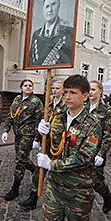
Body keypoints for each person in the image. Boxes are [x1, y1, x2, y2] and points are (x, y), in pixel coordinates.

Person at [34, 74, 101, 221]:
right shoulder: (58, 118)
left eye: (73, 93)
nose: (68, 97)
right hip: (55, 187)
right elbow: (51, 147)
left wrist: (51, 164)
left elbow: (84, 158)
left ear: (85, 96)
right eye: (65, 93)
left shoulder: (92, 124)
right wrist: (43, 134)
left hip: (78, 191)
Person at [20, 78, 64, 212]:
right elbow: (43, 122)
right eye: (53, 88)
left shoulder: (65, 106)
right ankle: (33, 197)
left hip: (60, 147)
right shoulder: (49, 105)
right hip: (48, 144)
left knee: (58, 176)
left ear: (62, 90)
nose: (54, 90)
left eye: (57, 88)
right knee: (39, 171)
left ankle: (62, 206)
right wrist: (38, 138)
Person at [1, 79, 43, 203]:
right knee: (21, 157)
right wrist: (5, 130)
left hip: (28, 135)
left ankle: (15, 188)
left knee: (20, 161)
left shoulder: (36, 101)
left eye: (30, 85)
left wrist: (37, 139)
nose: (28, 87)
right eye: (26, 85)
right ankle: (35, 170)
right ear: (21, 88)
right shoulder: (17, 100)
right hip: (17, 134)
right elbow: (10, 116)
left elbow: (39, 121)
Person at [88, 80, 111, 214]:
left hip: (97, 151)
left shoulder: (106, 110)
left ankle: (107, 195)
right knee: (83, 183)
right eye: (89, 89)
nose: (90, 92)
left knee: (96, 182)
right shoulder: (82, 106)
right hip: (82, 150)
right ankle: (79, 214)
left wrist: (102, 153)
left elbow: (108, 134)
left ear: (100, 91)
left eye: (93, 89)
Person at [27, 0, 73, 67]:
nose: (50, 10)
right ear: (43, 10)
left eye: (53, 5)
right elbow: (31, 62)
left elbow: (65, 59)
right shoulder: (36, 34)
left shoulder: (68, 31)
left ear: (59, 6)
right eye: (47, 6)